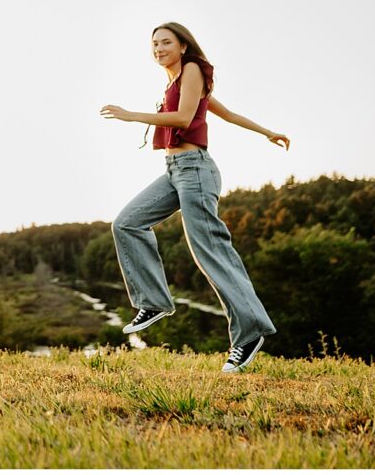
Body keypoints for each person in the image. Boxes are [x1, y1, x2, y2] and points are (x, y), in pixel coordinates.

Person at [99, 22, 289, 373]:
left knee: (211, 253)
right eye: (154, 43)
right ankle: (153, 301)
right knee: (127, 224)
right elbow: (228, 114)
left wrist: (130, 116)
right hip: (174, 171)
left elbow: (185, 118)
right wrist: (268, 132)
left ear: (183, 45)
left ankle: (249, 334)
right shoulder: (175, 81)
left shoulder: (192, 70)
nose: (158, 48)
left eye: (166, 42)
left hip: (195, 171)